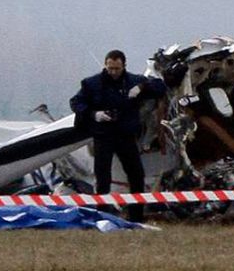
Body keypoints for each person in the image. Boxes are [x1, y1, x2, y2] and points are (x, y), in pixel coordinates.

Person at [70, 49, 166, 222]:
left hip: (126, 136)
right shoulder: (91, 84)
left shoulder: (134, 81)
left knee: (137, 175)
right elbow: (76, 102)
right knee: (102, 178)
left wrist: (142, 87)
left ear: (123, 66)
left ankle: (136, 216)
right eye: (110, 68)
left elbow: (160, 87)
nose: (113, 72)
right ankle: (101, 216)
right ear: (106, 65)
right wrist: (93, 114)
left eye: (117, 68)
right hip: (103, 136)